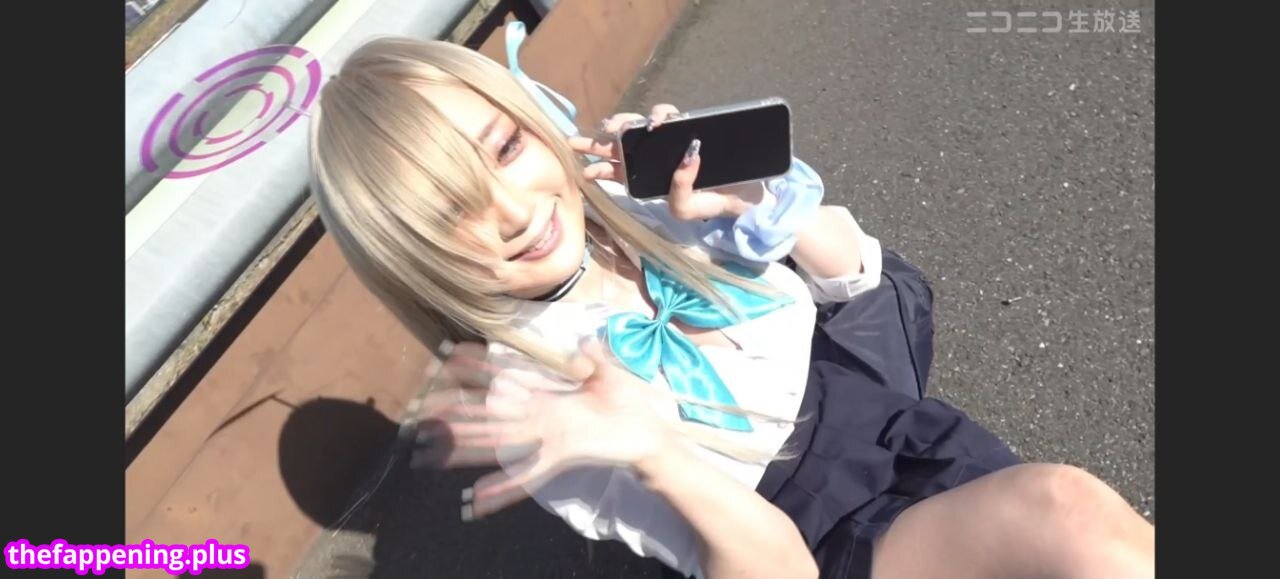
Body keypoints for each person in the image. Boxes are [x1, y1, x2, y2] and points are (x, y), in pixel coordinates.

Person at [307, 37, 1155, 579]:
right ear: (412, 256)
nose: (514, 211)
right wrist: (654, 451)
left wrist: (755, 205)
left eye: (504, 147)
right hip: (814, 540)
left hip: (904, 436)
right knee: (1065, 514)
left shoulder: (640, 202)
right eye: (449, 210)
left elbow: (871, 297)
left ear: (534, 119)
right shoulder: (532, 394)